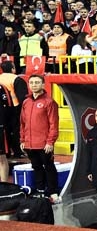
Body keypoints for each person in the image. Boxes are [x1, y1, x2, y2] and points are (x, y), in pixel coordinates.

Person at [20, 74, 59, 202]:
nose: (34, 85)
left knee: (49, 167)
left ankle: (53, 192)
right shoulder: (26, 102)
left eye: (37, 82)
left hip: (44, 144)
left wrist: (50, 142)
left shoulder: (49, 102)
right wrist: (22, 140)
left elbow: (54, 124)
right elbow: (22, 123)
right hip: (30, 143)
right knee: (36, 167)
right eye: (31, 83)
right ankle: (40, 190)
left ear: (43, 85)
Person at [0, 61, 27, 157]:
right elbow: (23, 97)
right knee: (16, 130)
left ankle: (6, 152)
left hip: (2, 110)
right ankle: (17, 152)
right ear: (13, 69)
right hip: (14, 109)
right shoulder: (17, 79)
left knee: (4, 131)